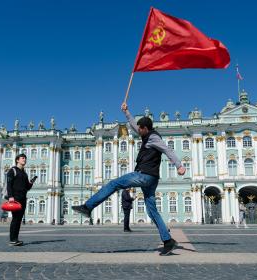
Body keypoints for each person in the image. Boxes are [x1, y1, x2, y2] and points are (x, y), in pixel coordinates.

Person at [73, 102, 186, 256]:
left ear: (145, 128)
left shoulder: (153, 137)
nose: (137, 130)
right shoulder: (147, 134)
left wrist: (178, 165)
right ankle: (168, 241)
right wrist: (126, 112)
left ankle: (88, 207)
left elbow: (167, 149)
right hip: (152, 178)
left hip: (144, 175)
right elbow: (133, 125)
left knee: (114, 183)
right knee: (152, 211)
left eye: (140, 129)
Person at [7, 153, 36, 246]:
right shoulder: (12, 170)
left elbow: (27, 187)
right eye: (23, 158)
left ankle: (16, 239)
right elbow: (9, 185)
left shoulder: (24, 173)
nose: (24, 160)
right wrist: (10, 196)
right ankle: (12, 239)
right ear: (17, 160)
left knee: (19, 219)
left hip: (23, 198)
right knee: (15, 218)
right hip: (15, 198)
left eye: (25, 158)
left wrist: (31, 182)